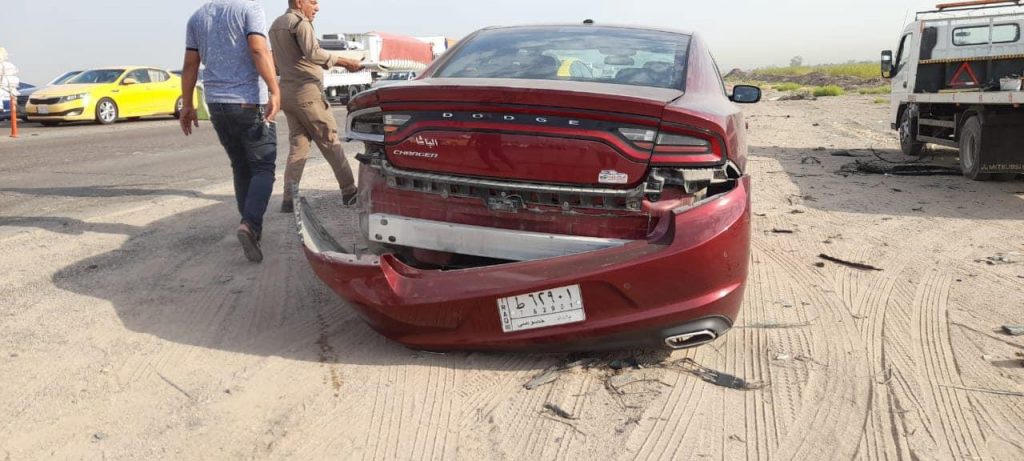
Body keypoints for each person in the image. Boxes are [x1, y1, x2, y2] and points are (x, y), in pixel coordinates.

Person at [180, 0, 281, 263]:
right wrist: (274, 89)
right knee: (263, 167)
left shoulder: (198, 17)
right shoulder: (250, 9)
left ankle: (250, 227)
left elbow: (190, 64)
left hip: (216, 103)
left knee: (240, 166)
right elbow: (258, 49)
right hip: (248, 101)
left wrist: (188, 104)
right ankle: (250, 225)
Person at [269, 0, 364, 213]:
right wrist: (346, 62)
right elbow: (314, 53)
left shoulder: (276, 24)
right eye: (313, 2)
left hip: (288, 94)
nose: (317, 7)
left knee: (298, 147)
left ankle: (289, 199)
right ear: (299, 2)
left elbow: (277, 61)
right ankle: (350, 192)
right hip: (307, 94)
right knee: (330, 141)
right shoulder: (300, 23)